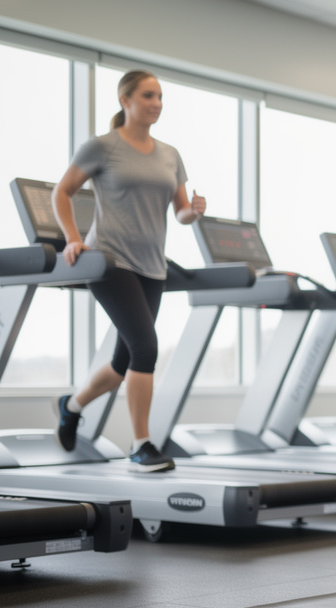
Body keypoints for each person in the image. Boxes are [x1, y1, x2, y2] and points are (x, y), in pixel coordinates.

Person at [51, 70, 206, 472]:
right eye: (148, 95)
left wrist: (193, 211)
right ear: (126, 100)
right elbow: (62, 191)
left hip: (153, 266)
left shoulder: (170, 153)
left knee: (124, 364)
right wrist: (72, 238)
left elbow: (181, 211)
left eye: (159, 97)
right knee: (145, 348)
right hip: (110, 260)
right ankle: (141, 445)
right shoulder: (102, 147)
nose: (156, 103)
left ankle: (71, 406)